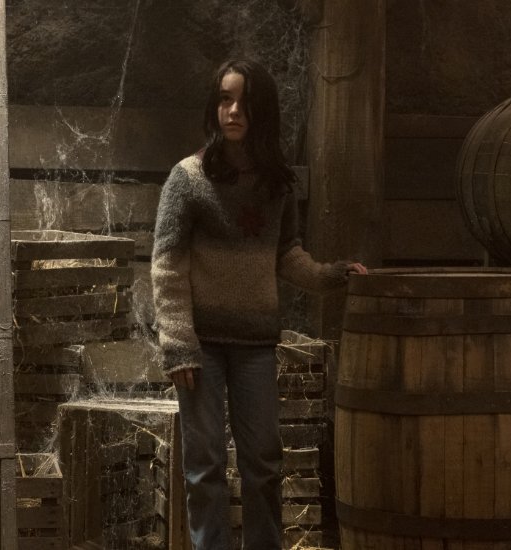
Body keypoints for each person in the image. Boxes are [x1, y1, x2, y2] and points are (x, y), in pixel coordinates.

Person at [151, 59, 367, 550]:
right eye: (225, 100)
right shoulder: (187, 178)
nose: (233, 111)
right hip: (200, 348)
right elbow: (166, 265)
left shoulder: (277, 182)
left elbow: (285, 253)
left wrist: (331, 275)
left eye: (244, 103)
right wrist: (178, 343)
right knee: (204, 466)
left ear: (262, 111)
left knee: (264, 463)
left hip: (254, 345)